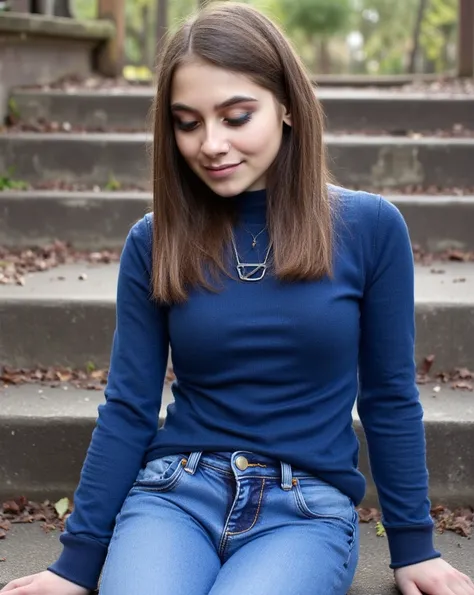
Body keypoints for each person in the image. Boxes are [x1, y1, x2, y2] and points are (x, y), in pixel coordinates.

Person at [2, 3, 473, 594]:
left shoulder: (370, 228)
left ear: (286, 107)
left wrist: (413, 546)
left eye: (236, 116)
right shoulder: (155, 240)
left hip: (304, 509)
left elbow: (390, 398)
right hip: (175, 495)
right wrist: (74, 563)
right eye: (188, 122)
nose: (211, 144)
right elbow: (129, 406)